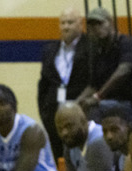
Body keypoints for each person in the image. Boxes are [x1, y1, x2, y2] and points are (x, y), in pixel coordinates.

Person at [78, 6, 132, 121]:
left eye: (100, 23)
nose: (96, 28)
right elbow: (93, 85)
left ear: (111, 23)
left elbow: (124, 70)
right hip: (111, 104)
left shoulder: (127, 44)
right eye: (92, 25)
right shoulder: (99, 51)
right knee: (76, 111)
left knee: (93, 110)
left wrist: (98, 96)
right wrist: (76, 103)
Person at [37, 8, 92, 159]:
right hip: (54, 113)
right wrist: (44, 111)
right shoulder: (50, 49)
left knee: (79, 155)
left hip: (80, 110)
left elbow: (94, 80)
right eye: (63, 23)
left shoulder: (90, 47)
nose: (66, 26)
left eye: (70, 22)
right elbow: (43, 84)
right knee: (57, 155)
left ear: (81, 24)